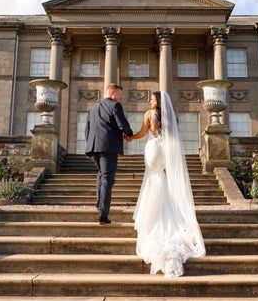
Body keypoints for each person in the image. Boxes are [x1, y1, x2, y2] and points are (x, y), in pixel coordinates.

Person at [125, 91, 205, 277]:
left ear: (156, 102)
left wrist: (129, 138)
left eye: (152, 99)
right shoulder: (169, 117)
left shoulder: (149, 114)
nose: (150, 101)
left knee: (153, 177)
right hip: (165, 150)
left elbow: (144, 133)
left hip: (153, 148)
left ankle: (151, 216)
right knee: (161, 176)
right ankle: (164, 209)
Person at [85, 83, 134, 224]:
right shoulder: (115, 106)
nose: (120, 98)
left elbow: (87, 130)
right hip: (108, 148)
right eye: (119, 94)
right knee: (107, 178)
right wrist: (129, 134)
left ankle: (99, 202)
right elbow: (122, 124)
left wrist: (90, 145)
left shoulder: (93, 109)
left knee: (101, 174)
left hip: (93, 148)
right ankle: (103, 215)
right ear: (112, 93)